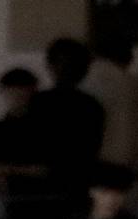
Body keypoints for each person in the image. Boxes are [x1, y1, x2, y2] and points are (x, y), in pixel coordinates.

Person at [31, 39, 106, 193]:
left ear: (50, 67)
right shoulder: (94, 106)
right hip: (80, 186)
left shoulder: (38, 102)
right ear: (85, 70)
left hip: (37, 189)